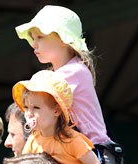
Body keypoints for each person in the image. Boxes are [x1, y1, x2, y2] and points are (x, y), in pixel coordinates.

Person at [15, 5, 111, 145]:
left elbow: (34, 102)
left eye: (40, 37)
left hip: (93, 151)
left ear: (63, 39)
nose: (33, 44)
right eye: (33, 38)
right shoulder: (62, 73)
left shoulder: (74, 71)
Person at [13, 70, 103, 164]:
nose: (28, 113)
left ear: (56, 111)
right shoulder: (33, 140)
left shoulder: (72, 141)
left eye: (36, 108)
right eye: (26, 107)